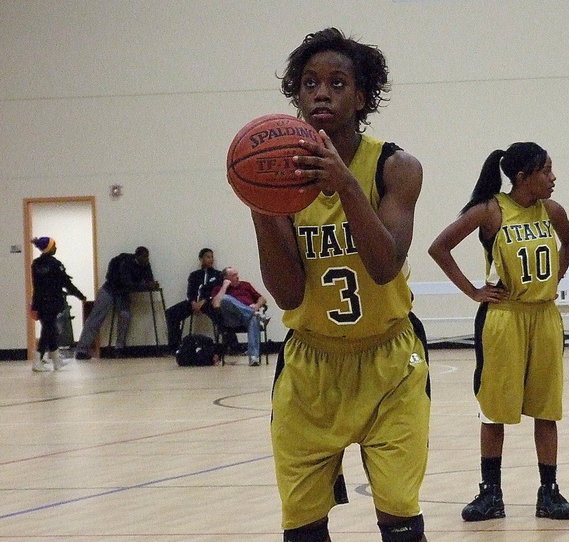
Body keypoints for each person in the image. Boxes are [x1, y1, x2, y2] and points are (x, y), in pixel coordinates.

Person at [251, 28, 430, 542]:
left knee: (399, 515)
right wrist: (262, 210)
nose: (321, 93)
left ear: (362, 95)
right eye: (309, 84)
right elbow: (287, 295)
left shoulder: (396, 167)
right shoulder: (279, 178)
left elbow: (384, 266)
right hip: (311, 362)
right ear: (296, 96)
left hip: (389, 360)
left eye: (336, 82)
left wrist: (345, 184)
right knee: (303, 525)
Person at [429, 142, 569, 522]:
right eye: (546, 170)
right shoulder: (491, 210)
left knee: (546, 409)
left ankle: (549, 492)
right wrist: (473, 291)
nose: (553, 177)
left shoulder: (553, 211)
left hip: (544, 317)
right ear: (523, 177)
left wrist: (557, 275)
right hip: (504, 319)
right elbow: (439, 247)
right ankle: (490, 493)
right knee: (494, 410)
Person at [75, 246, 159, 360]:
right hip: (110, 289)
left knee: (125, 316)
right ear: (137, 256)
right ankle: (82, 350)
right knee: (96, 318)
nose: (147, 260)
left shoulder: (145, 265)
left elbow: (147, 280)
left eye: (147, 257)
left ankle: (120, 348)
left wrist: (151, 284)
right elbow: (128, 283)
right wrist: (146, 285)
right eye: (144, 257)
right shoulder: (125, 262)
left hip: (122, 292)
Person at [29, 236, 86, 372]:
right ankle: (37, 360)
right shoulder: (55, 264)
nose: (56, 248)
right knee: (48, 331)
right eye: (54, 246)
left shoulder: (35, 264)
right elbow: (66, 283)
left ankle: (56, 361)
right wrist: (80, 296)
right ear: (49, 248)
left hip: (40, 302)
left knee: (49, 329)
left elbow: (36, 286)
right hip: (53, 302)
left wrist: (34, 305)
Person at [164, 248, 223, 351]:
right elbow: (190, 292)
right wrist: (193, 302)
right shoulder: (194, 275)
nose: (210, 259)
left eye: (212, 257)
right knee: (171, 313)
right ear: (201, 259)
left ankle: (230, 345)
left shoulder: (217, 275)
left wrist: (204, 301)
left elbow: (216, 292)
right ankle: (175, 346)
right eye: (208, 257)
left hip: (208, 302)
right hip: (193, 303)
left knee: (221, 314)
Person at [209, 267, 267, 366]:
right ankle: (255, 314)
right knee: (225, 299)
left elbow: (262, 298)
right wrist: (224, 287)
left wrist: (257, 306)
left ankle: (254, 358)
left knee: (253, 319)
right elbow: (216, 304)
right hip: (231, 320)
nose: (237, 277)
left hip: (247, 319)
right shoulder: (219, 289)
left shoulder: (246, 285)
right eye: (234, 275)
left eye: (237, 274)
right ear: (226, 278)